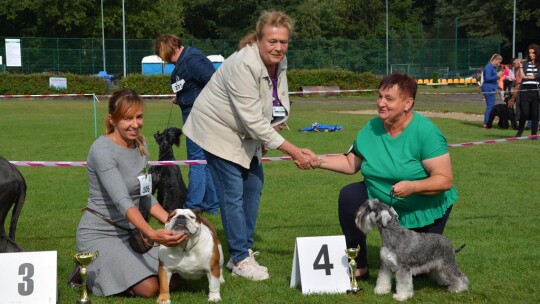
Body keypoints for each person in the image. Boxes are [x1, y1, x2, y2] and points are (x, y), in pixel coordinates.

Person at [182, 11, 311, 281]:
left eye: (283, 42)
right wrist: (295, 151)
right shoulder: (243, 64)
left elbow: (277, 98)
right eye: (272, 41)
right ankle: (240, 258)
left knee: (253, 186)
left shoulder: (280, 61)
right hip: (216, 131)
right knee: (232, 193)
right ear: (259, 39)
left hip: (245, 132)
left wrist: (275, 127)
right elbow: (252, 119)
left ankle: (244, 250)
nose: (278, 47)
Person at [302, 72, 459, 281]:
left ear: (407, 103)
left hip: (423, 207)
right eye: (379, 97)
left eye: (389, 99)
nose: (381, 103)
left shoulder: (427, 132)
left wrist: (412, 187)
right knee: (349, 195)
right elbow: (351, 163)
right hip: (383, 202)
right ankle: (358, 264)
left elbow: (444, 179)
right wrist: (317, 160)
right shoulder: (371, 128)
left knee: (417, 273)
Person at [76, 89, 186, 297]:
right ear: (112, 120)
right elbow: (123, 201)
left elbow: (144, 196)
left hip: (130, 233)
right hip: (100, 234)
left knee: (179, 275)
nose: (135, 124)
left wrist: (173, 221)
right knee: (151, 288)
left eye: (139, 117)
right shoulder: (101, 151)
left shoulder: (141, 145)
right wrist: (152, 233)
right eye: (128, 118)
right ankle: (89, 272)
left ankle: (122, 272)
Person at [154, 34, 219, 214]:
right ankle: (211, 205)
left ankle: (192, 205)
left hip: (199, 117)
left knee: (196, 161)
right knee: (205, 161)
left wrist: (200, 106)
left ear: (168, 49)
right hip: (196, 115)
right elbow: (194, 86)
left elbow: (214, 82)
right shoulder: (184, 62)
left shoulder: (191, 60)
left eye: (162, 54)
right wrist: (181, 97)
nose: (162, 59)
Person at [515, 44, 540, 137]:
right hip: (525, 90)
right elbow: (522, 77)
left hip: (536, 90)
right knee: (524, 112)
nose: (531, 55)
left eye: (533, 53)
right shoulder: (525, 63)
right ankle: (519, 133)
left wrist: (527, 77)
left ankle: (534, 135)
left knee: (535, 113)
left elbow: (537, 76)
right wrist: (520, 66)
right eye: (529, 53)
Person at [481, 54, 503, 128]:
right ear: (495, 60)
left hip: (491, 87)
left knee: (490, 106)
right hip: (488, 88)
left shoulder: (492, 67)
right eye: (499, 62)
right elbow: (487, 78)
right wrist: (497, 75)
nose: (499, 64)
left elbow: (493, 81)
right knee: (490, 106)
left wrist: (498, 87)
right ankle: (486, 123)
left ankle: (487, 123)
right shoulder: (488, 67)